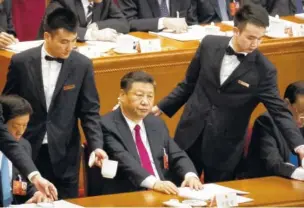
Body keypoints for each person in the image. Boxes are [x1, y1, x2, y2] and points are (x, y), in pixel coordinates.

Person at [152, 3, 304, 183]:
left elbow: (279, 111)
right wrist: (161, 107)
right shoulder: (209, 44)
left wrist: (299, 144)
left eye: (260, 38)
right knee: (177, 189)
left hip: (225, 147)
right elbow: (188, 85)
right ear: (236, 31)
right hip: (190, 134)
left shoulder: (265, 71)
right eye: (250, 37)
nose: (255, 44)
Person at [2, 8, 107, 199]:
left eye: (73, 41)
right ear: (47, 36)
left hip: (65, 154)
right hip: (28, 150)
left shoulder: (82, 65)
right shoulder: (21, 62)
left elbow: (90, 111)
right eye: (64, 42)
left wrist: (97, 145)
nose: (69, 47)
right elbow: (8, 106)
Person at [101, 71, 202, 195]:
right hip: (129, 194)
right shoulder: (107, 125)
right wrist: (154, 183)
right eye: (139, 95)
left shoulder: (155, 123)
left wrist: (190, 175)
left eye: (150, 96)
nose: (145, 102)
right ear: (122, 95)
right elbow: (125, 161)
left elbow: (176, 154)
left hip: (162, 192)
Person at [0, 95, 52, 206]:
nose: (20, 132)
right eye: (16, 126)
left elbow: (22, 185)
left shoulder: (24, 146)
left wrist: (36, 194)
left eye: (25, 125)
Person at [246, 81, 304, 180]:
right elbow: (273, 163)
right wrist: (298, 174)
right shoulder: (266, 122)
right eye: (301, 111)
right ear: (286, 103)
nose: (303, 119)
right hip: (266, 184)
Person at [37, 0, 129, 42]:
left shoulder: (105, 2)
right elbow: (57, 25)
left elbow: (124, 23)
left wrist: (97, 26)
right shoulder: (64, 1)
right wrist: (91, 34)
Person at [117, 0, 196, 32]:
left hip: (180, 48)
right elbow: (128, 22)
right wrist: (163, 22)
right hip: (148, 51)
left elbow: (191, 23)